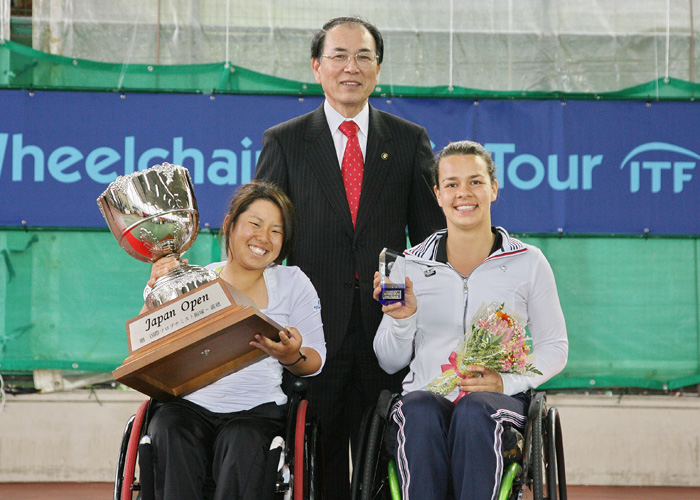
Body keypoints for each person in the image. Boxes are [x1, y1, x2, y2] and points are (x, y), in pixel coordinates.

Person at [254, 15, 445, 499]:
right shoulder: (286, 141)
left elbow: (429, 240)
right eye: (338, 55)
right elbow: (262, 237)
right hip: (314, 331)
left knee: (384, 454)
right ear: (317, 67)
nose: (350, 67)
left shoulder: (408, 140)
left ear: (377, 69)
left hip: (389, 329)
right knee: (320, 459)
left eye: (363, 56)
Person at [373, 140, 569, 500]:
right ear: (437, 194)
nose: (464, 193)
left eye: (475, 181)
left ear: (493, 188)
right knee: (417, 408)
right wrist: (403, 319)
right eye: (451, 184)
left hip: (496, 406)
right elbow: (388, 361)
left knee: (475, 411)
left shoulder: (529, 261)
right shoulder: (409, 265)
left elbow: (555, 347)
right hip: (424, 399)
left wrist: (505, 383)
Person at [143, 180, 326, 500]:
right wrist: (155, 292)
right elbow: (147, 346)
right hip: (189, 408)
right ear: (229, 225)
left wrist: (290, 355)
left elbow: (314, 361)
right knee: (169, 427)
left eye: (276, 231)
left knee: (244, 439)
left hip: (256, 413)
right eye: (254, 224)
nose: (263, 238)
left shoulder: (292, 282)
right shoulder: (196, 282)